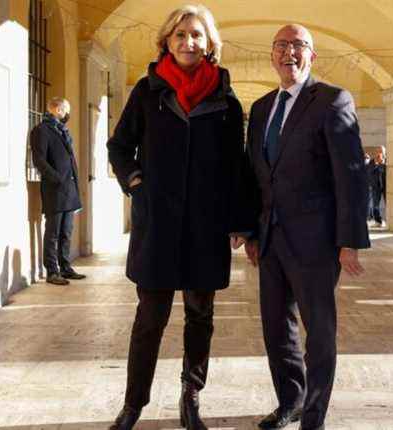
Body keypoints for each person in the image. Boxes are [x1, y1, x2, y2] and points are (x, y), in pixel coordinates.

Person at [106, 5, 251, 430]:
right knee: (149, 317)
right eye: (181, 35)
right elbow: (119, 146)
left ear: (210, 45)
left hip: (206, 226)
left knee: (200, 315)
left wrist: (239, 220)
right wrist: (136, 184)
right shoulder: (147, 93)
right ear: (167, 41)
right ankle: (133, 405)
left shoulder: (226, 102)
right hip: (159, 226)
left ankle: (191, 398)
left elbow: (236, 166)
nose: (189, 42)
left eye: (197, 36)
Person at [242, 24, 370, 430]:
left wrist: (348, 241)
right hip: (270, 239)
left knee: (318, 330)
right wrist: (250, 230)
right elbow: (254, 175)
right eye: (281, 46)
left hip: (316, 242)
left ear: (312, 56)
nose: (289, 53)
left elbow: (350, 174)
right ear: (272, 56)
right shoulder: (261, 108)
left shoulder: (332, 100)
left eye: (298, 45)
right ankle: (290, 402)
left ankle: (314, 415)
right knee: (275, 328)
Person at [30, 97, 86, 286]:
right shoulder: (41, 131)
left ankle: (65, 267)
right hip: (55, 189)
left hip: (69, 190)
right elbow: (39, 160)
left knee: (66, 231)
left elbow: (70, 161)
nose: (68, 114)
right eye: (66, 110)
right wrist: (57, 179)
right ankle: (52, 272)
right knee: (52, 232)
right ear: (59, 109)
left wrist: (74, 186)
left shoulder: (62, 131)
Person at [369, 145, 387, 226]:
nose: (379, 152)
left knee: (389, 204)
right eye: (378, 151)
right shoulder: (372, 162)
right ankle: (378, 221)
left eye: (381, 151)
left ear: (384, 152)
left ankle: (389, 220)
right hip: (376, 186)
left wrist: (383, 163)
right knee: (375, 205)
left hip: (386, 186)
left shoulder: (387, 161)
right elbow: (368, 172)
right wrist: (376, 164)